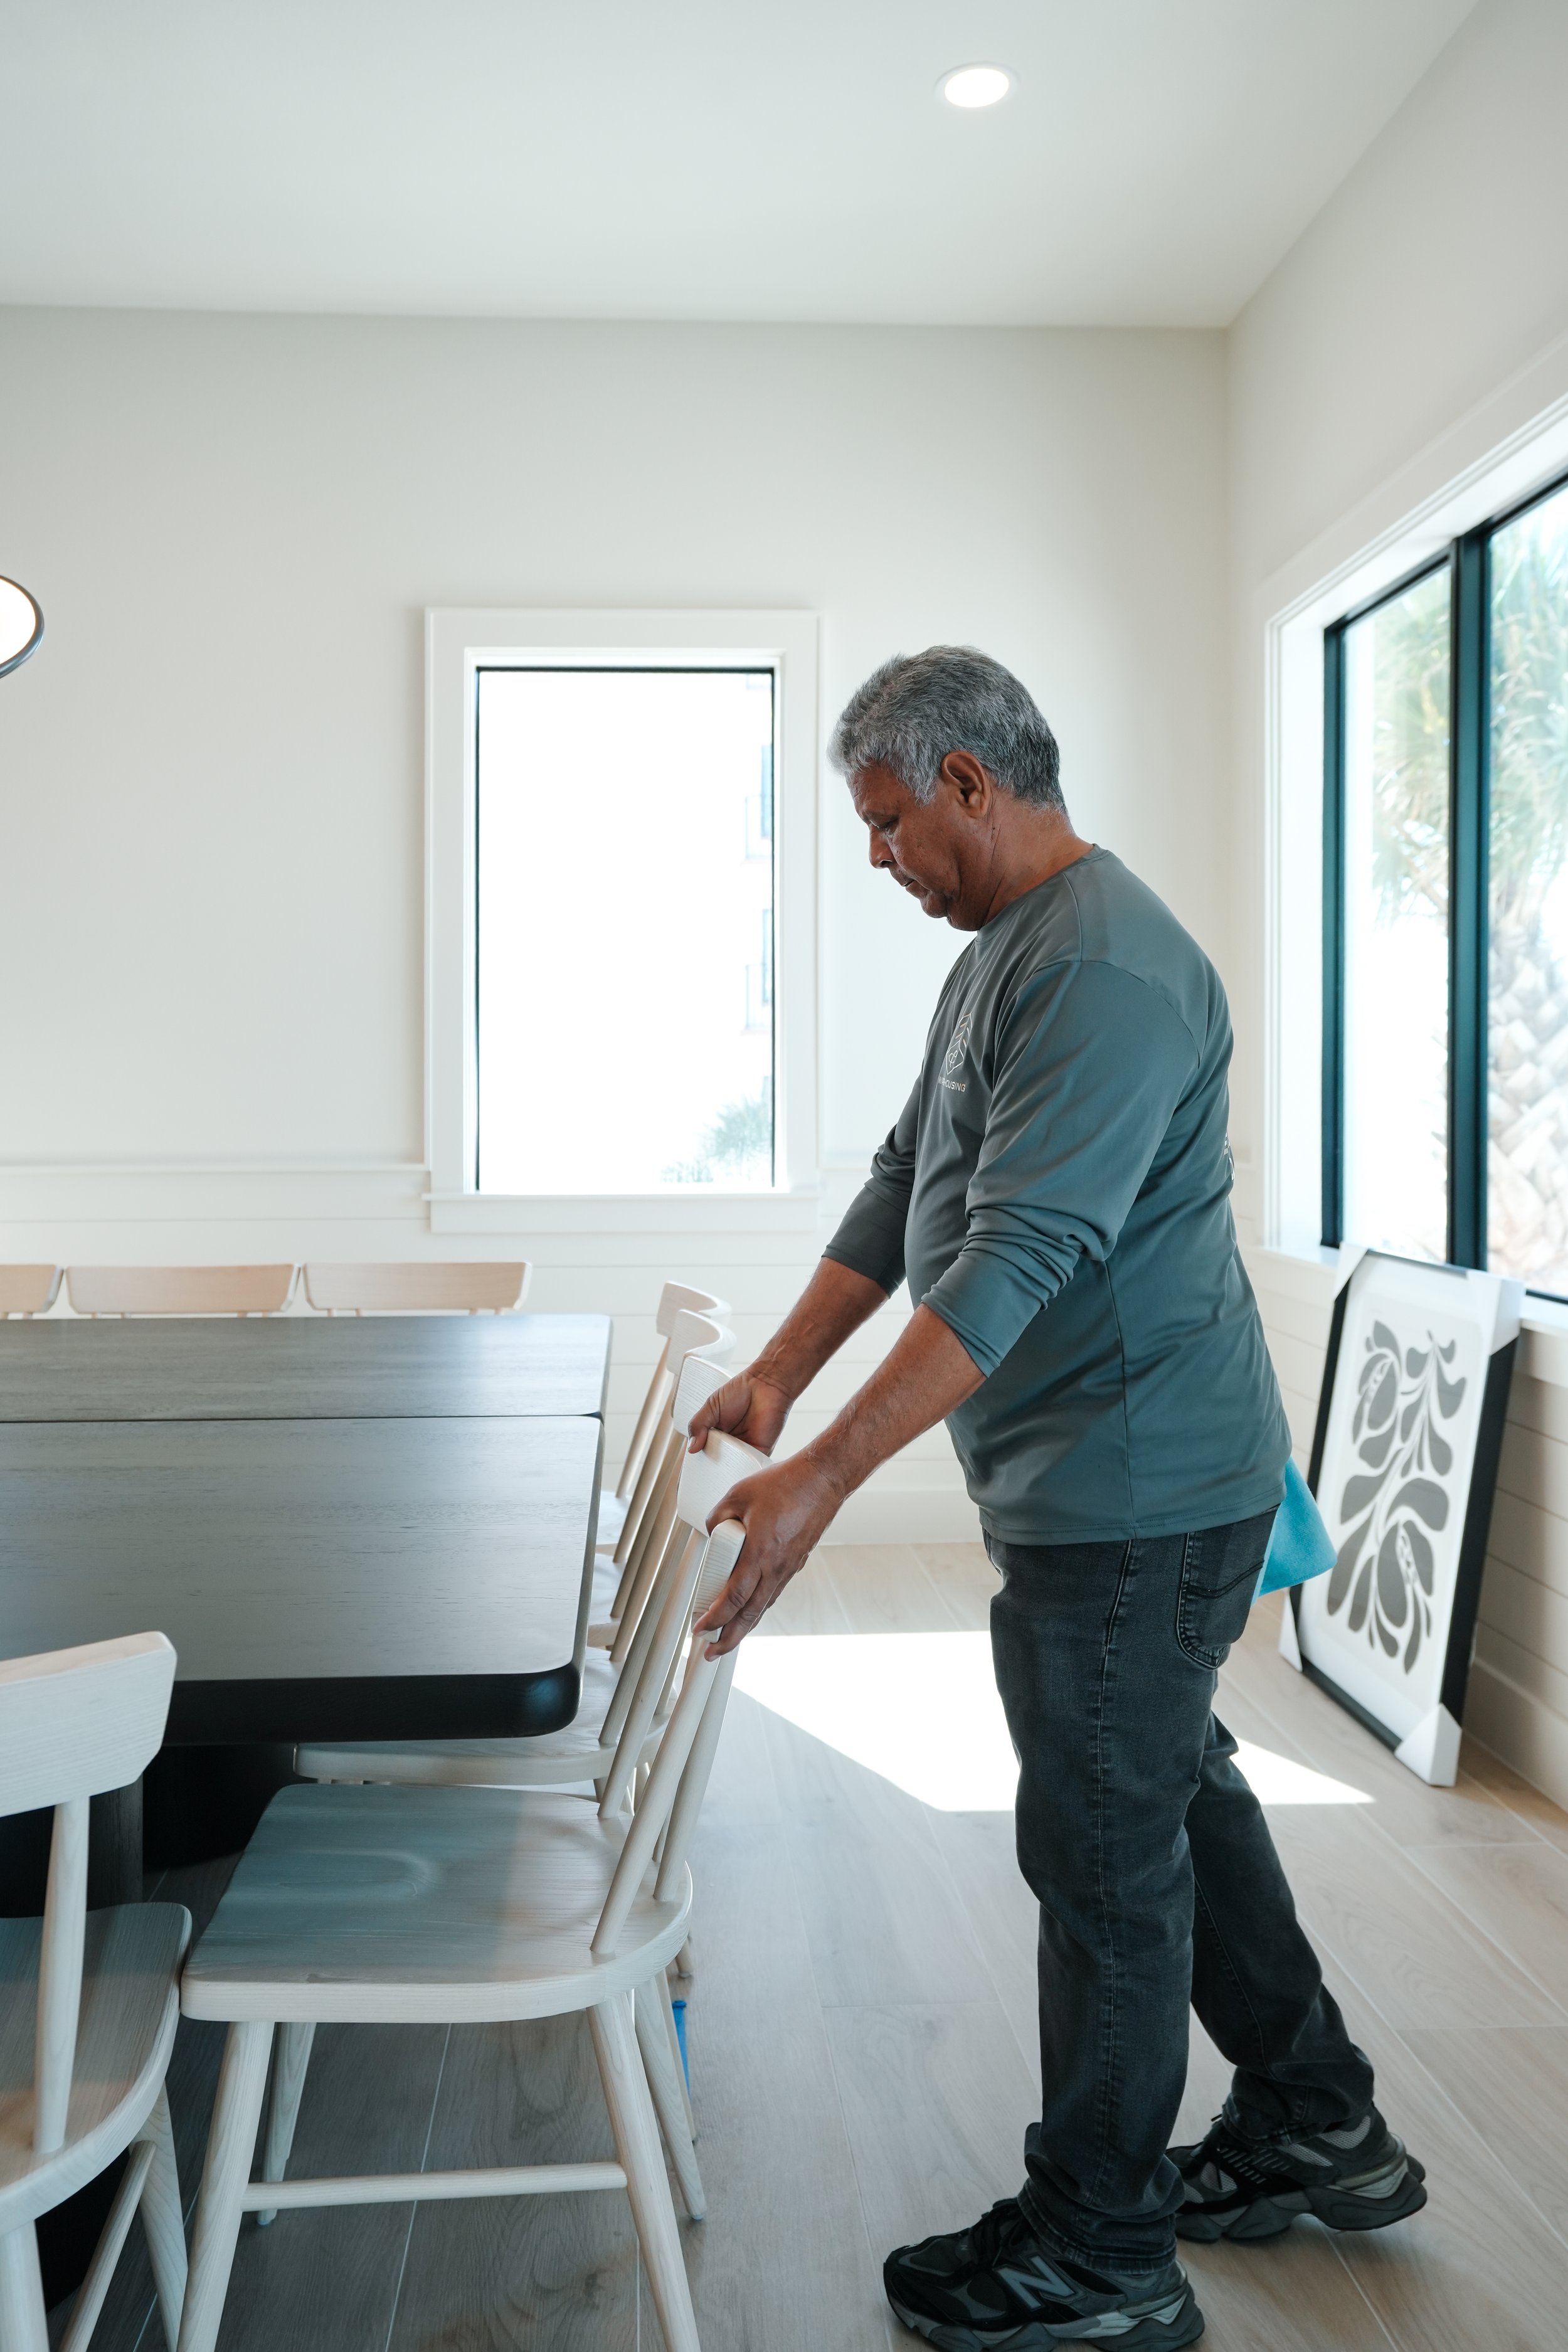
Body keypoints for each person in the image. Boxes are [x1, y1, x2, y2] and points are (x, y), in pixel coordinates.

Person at [687, 647, 1426, 2351]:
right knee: (1167, 1800)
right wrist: (784, 1370)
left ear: (969, 781)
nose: (881, 859)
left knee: (1103, 1852)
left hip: (1139, 1492)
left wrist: (820, 1481)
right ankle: (1314, 2116)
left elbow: (1018, 1253)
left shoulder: (1102, 971)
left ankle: (1098, 2252)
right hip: (1105, 1479)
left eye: (888, 824)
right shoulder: (1002, 954)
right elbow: (913, 1175)